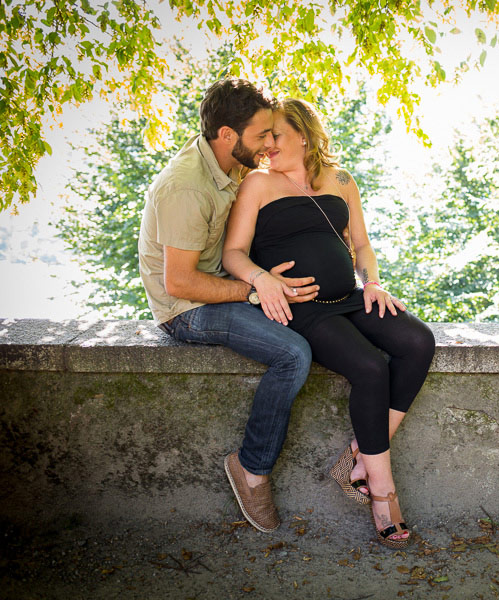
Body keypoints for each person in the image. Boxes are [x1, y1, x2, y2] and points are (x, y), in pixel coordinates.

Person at [222, 98, 436, 548]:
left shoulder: (340, 180)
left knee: (418, 341)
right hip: (304, 308)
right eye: (262, 139)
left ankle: (361, 456)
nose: (267, 146)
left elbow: (360, 243)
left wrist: (373, 283)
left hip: (350, 298)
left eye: (275, 135)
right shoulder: (258, 184)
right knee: (370, 368)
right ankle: (382, 494)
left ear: (302, 134)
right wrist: (262, 280)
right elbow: (233, 253)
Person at [138, 78, 320, 534]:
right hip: (186, 308)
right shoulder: (186, 188)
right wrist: (257, 290)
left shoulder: (226, 160)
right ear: (227, 135)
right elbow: (179, 281)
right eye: (260, 135)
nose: (268, 144)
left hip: (220, 282)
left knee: (311, 319)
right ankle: (251, 469)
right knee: (293, 354)